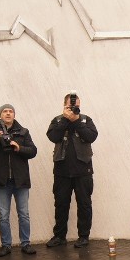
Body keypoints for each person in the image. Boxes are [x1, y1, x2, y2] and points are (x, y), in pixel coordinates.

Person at [0, 104, 38, 257]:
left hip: (21, 180)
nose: (8, 113)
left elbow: (33, 151)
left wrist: (19, 148)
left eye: (10, 111)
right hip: (2, 180)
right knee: (3, 216)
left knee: (24, 214)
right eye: (5, 111)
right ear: (0, 115)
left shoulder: (23, 132)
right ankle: (6, 245)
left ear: (14, 114)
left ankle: (26, 243)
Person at [45, 92, 99, 248]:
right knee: (61, 205)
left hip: (83, 170)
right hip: (62, 171)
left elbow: (91, 136)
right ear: (64, 105)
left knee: (84, 204)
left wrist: (76, 121)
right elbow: (53, 137)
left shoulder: (85, 120)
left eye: (76, 106)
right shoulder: (57, 120)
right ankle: (59, 236)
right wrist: (65, 120)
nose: (74, 108)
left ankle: (83, 237)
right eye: (70, 105)